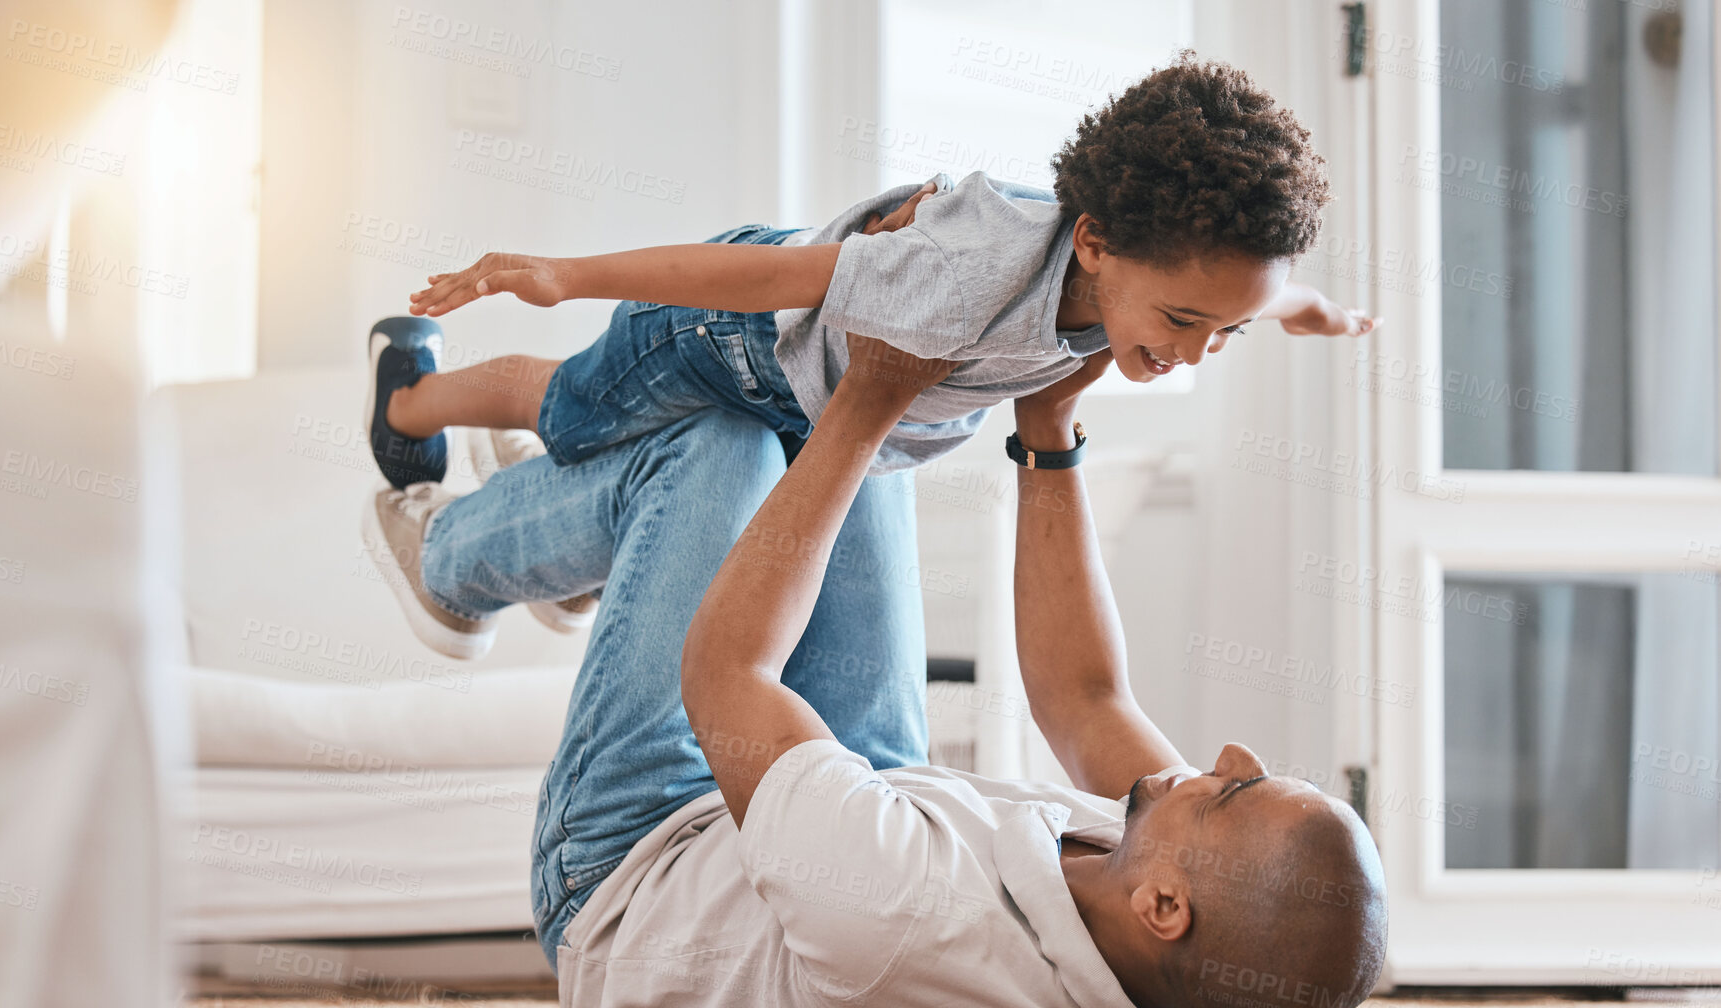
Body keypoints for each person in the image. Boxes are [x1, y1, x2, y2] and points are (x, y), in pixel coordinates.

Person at [364, 321, 1386, 1008]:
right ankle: (605, 542)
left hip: (637, 859)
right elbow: (1084, 698)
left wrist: (868, 401)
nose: (1237, 758)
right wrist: (1049, 423)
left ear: (1166, 907)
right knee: (842, 419)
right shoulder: (1196, 967)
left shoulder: (908, 917)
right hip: (865, 792)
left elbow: (726, 676)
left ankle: (447, 560)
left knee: (730, 440)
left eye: (1240, 793)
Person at [362, 55, 1375, 651]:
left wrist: (1311, 313)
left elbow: (1263, 294)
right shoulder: (959, 272)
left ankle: (541, 507)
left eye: (1225, 331)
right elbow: (770, 277)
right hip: (729, 343)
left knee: (632, 502)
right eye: (1184, 322)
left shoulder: (1162, 277)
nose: (1190, 354)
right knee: (571, 405)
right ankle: (410, 392)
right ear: (1098, 244)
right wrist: (566, 276)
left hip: (807, 404)